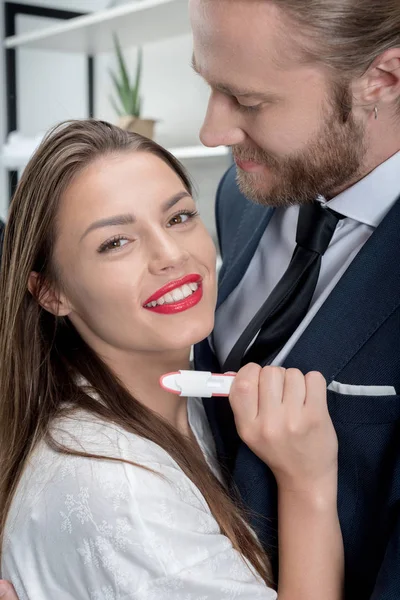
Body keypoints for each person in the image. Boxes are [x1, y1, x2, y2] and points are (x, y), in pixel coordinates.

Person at [0, 120, 343, 599]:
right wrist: (309, 485)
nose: (170, 255)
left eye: (179, 217)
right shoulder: (121, 489)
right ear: (51, 292)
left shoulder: (174, 394)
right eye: (115, 242)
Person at [190, 0, 400, 598]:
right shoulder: (242, 190)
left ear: (383, 79)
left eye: (251, 101)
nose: (212, 133)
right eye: (208, 84)